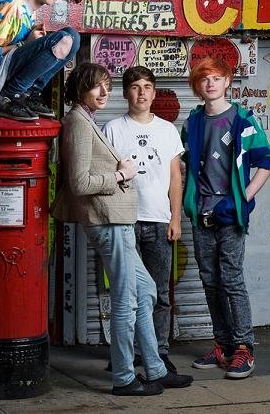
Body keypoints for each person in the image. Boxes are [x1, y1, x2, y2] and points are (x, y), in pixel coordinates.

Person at [50, 62, 193, 396]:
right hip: (109, 222)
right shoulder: (79, 122)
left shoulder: (86, 119)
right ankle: (125, 378)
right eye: (96, 86)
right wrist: (121, 175)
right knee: (126, 300)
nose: (104, 92)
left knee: (146, 291)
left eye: (107, 86)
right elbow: (80, 182)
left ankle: (155, 368)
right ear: (80, 88)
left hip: (119, 220)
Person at [182, 57, 270, 379]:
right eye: (204, 79)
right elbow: (186, 165)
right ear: (197, 86)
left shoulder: (242, 119)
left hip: (231, 214)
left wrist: (243, 198)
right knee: (210, 281)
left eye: (216, 78)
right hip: (202, 214)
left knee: (232, 279)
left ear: (227, 82)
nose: (210, 83)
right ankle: (223, 345)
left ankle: (244, 347)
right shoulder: (192, 123)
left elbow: (266, 160)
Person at [103, 66, 184, 374]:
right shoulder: (112, 128)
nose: (141, 93)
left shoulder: (168, 130)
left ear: (154, 92)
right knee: (125, 292)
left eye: (147, 87)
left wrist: (175, 219)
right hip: (123, 221)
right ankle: (127, 355)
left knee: (160, 293)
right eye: (135, 87)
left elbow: (175, 178)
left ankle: (159, 352)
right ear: (126, 92)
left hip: (159, 220)